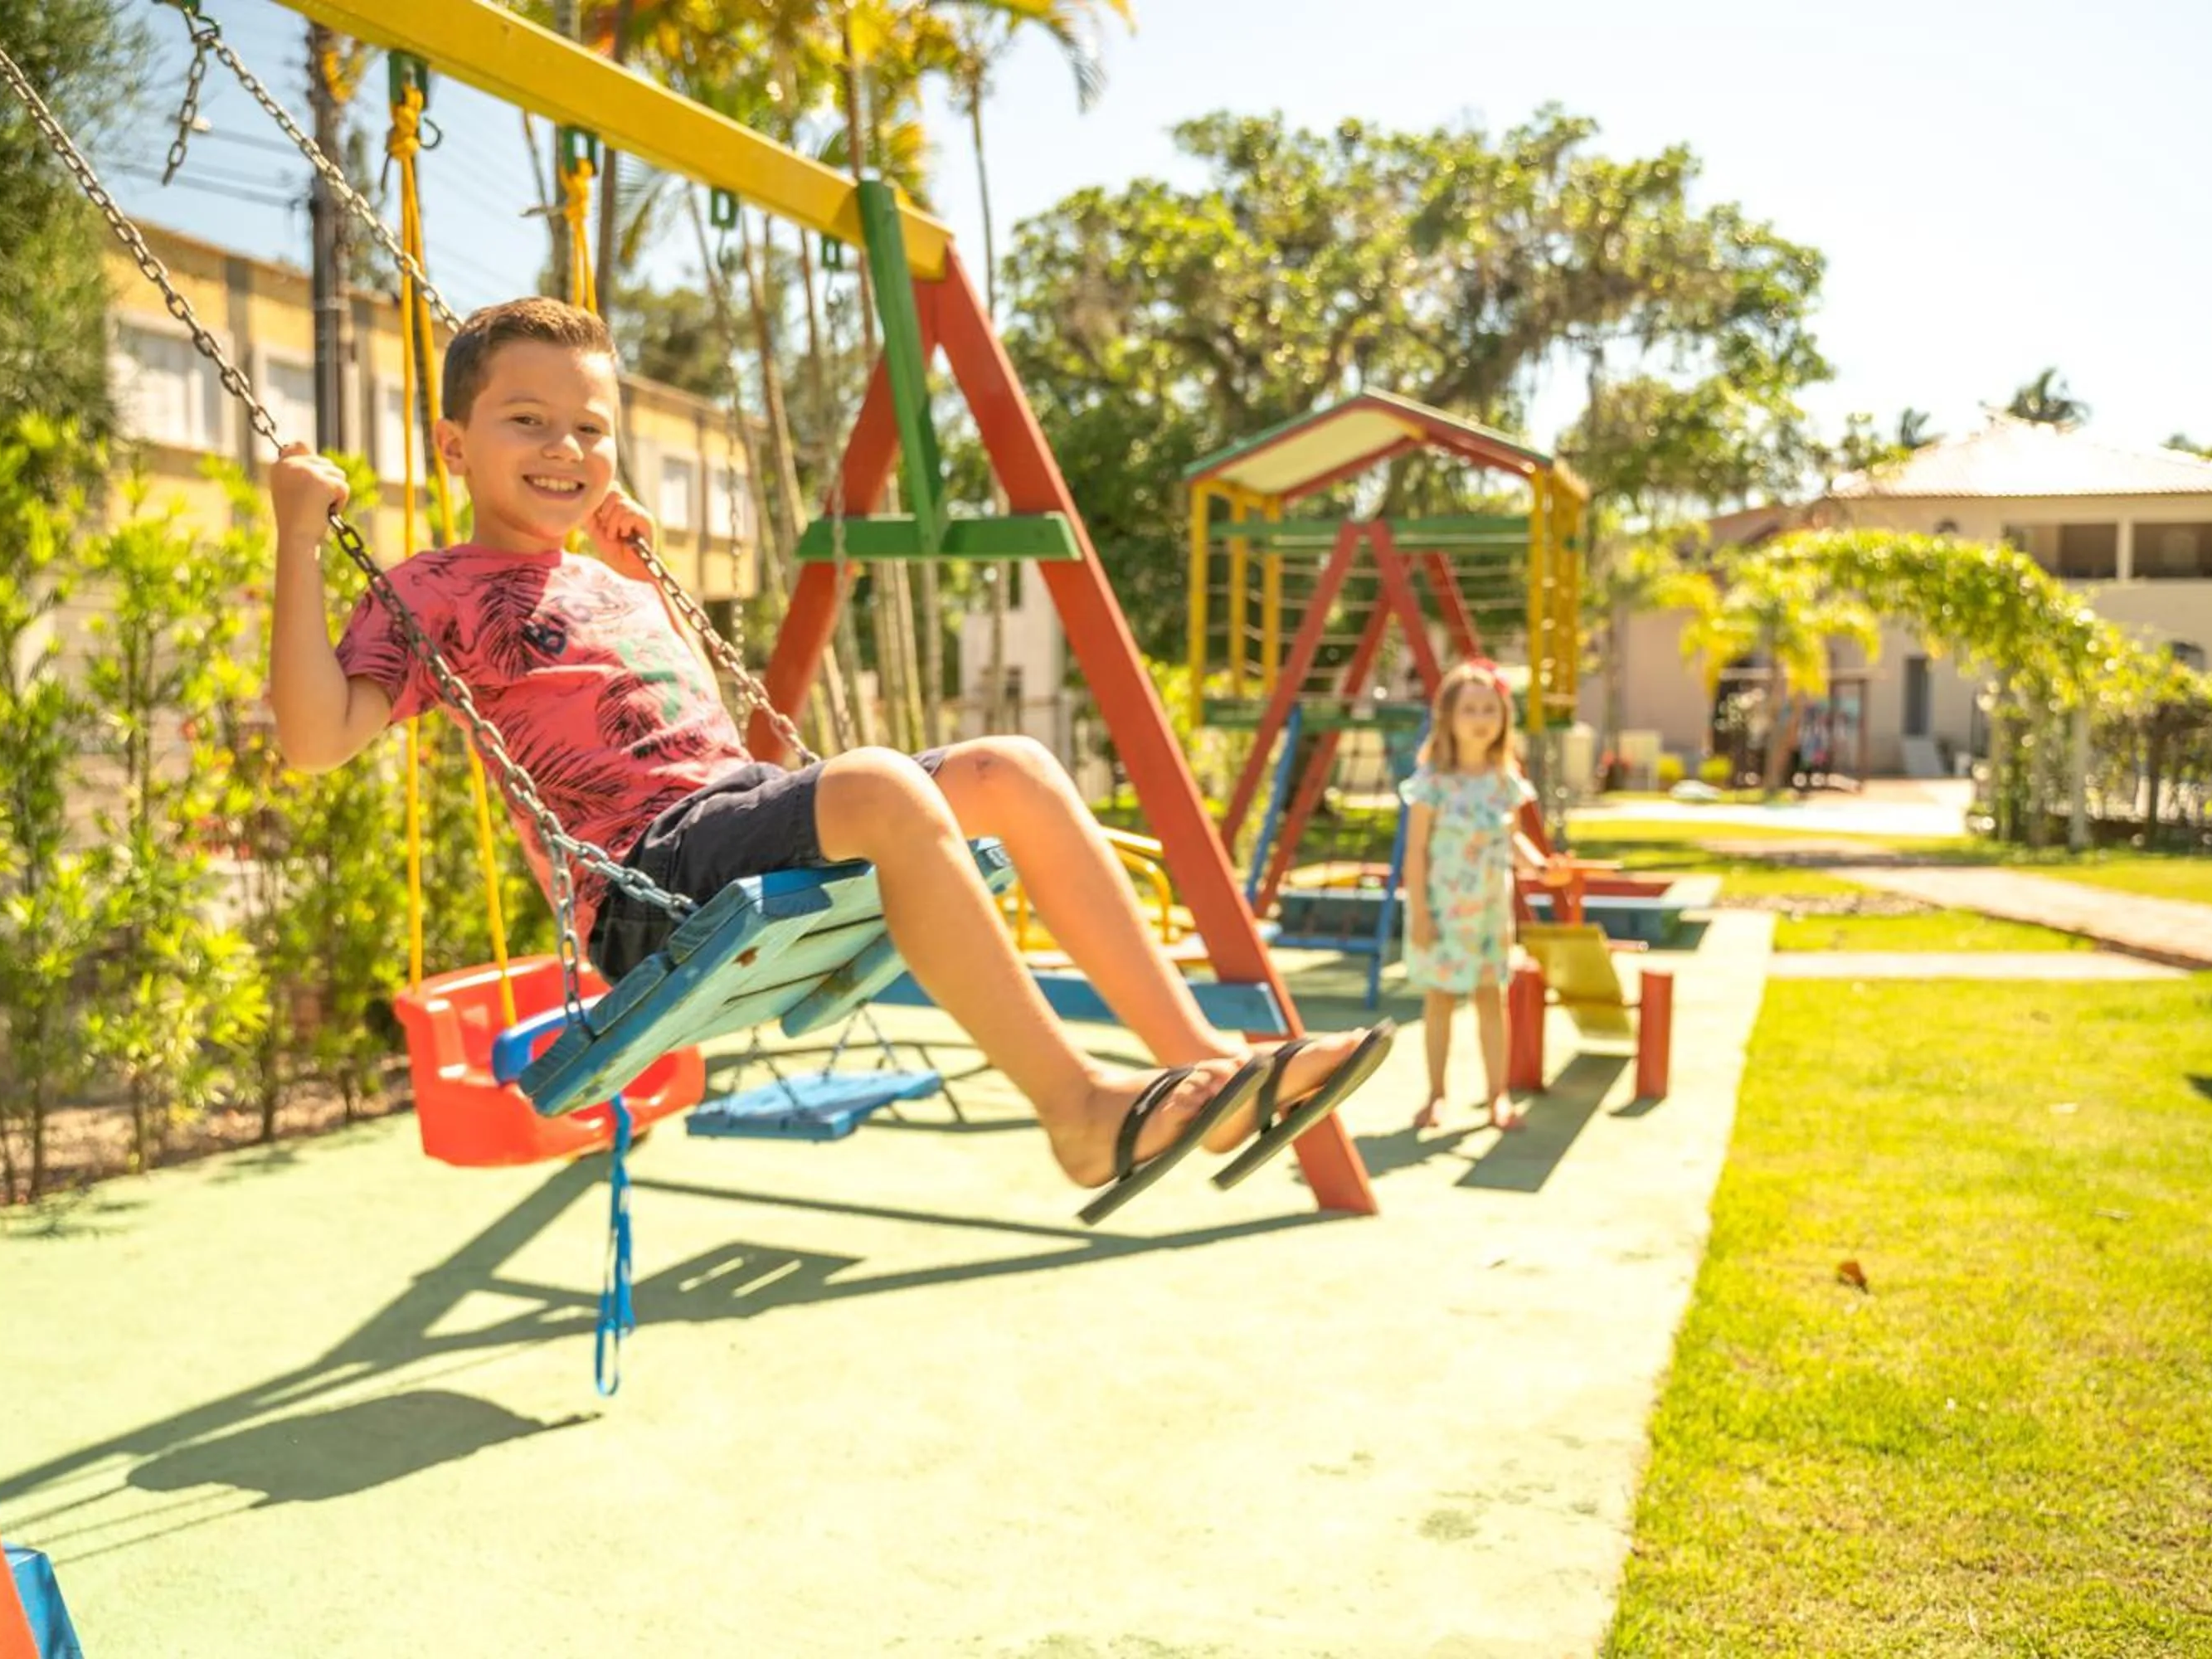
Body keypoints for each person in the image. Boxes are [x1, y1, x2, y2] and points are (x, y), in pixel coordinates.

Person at [263, 296, 1390, 1222]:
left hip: (723, 809)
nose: (566, 450)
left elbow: (679, 728)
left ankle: (1210, 1069)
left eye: (592, 429)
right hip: (643, 880)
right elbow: (316, 742)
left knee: (1014, 768)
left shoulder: (612, 575)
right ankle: (1080, 1112)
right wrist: (298, 536)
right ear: (456, 445)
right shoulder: (434, 591)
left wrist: (643, 577)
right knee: (887, 788)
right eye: (528, 422)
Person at [1400, 660, 1548, 1132]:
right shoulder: (1432, 782)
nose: (1481, 717)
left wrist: (1541, 866)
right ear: (1448, 717)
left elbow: (1514, 839)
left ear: (1503, 717)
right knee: (1440, 999)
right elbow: (1416, 853)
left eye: (1490, 708)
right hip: (1442, 912)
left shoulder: (1505, 780)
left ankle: (1496, 1097)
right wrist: (1420, 913)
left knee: (1491, 997)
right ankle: (1436, 1094)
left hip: (1489, 912)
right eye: (1470, 709)